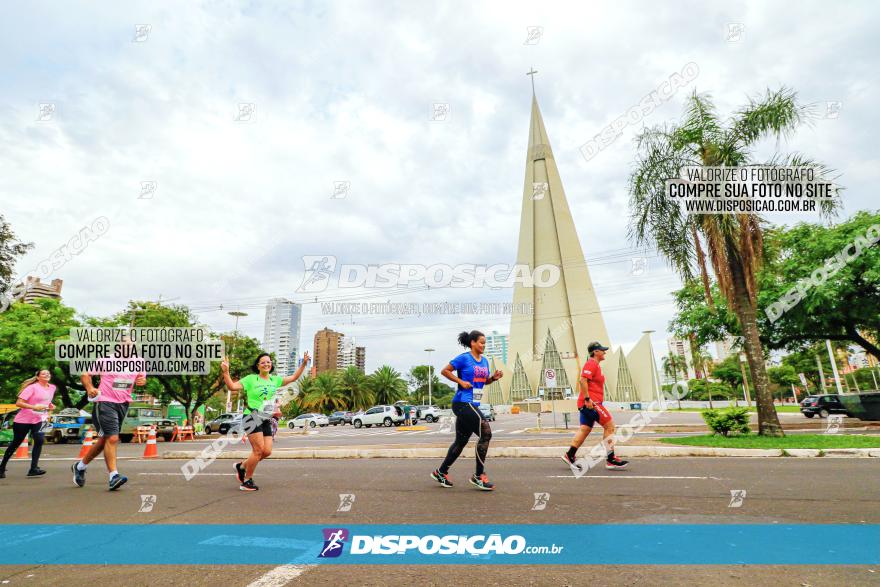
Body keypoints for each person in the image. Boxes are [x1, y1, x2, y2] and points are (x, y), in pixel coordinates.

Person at [221, 351, 309, 491]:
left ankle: (242, 466)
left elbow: (293, 378)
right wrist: (226, 372)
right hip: (252, 416)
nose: (266, 364)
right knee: (258, 450)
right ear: (258, 365)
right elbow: (232, 386)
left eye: (268, 362)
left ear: (271, 364)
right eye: (263, 362)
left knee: (266, 451)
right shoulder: (250, 379)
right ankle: (247, 481)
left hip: (265, 417)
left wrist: (304, 364)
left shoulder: (275, 380)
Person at [431, 330, 503, 490]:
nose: (484, 345)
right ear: (472, 343)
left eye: (485, 343)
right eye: (481, 342)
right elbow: (445, 371)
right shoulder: (464, 358)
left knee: (461, 442)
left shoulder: (484, 361)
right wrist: (460, 381)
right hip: (462, 403)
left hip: (473, 405)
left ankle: (440, 472)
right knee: (486, 433)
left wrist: (493, 378)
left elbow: (482, 381)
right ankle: (479, 476)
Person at [73, 343, 147, 490]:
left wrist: (142, 381)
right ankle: (114, 476)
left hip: (123, 404)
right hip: (105, 402)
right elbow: (85, 374)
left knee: (104, 440)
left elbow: (141, 378)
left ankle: (80, 466)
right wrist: (90, 388)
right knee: (112, 438)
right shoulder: (106, 360)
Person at [562, 341, 628, 471]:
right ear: (595, 352)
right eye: (602, 350)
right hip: (591, 403)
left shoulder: (596, 365)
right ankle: (611, 459)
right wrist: (588, 399)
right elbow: (582, 380)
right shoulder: (591, 363)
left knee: (585, 430)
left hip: (589, 403)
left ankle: (569, 455)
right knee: (609, 426)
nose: (605, 352)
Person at [0, 369, 56, 478]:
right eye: (43, 373)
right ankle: (1, 467)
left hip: (41, 418)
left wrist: (50, 405)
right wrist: (34, 407)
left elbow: (46, 400)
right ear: (38, 377)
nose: (47, 375)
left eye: (48, 373)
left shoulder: (52, 387)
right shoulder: (32, 387)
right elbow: (19, 403)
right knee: (16, 443)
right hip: (24, 419)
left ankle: (33, 468)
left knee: (39, 440)